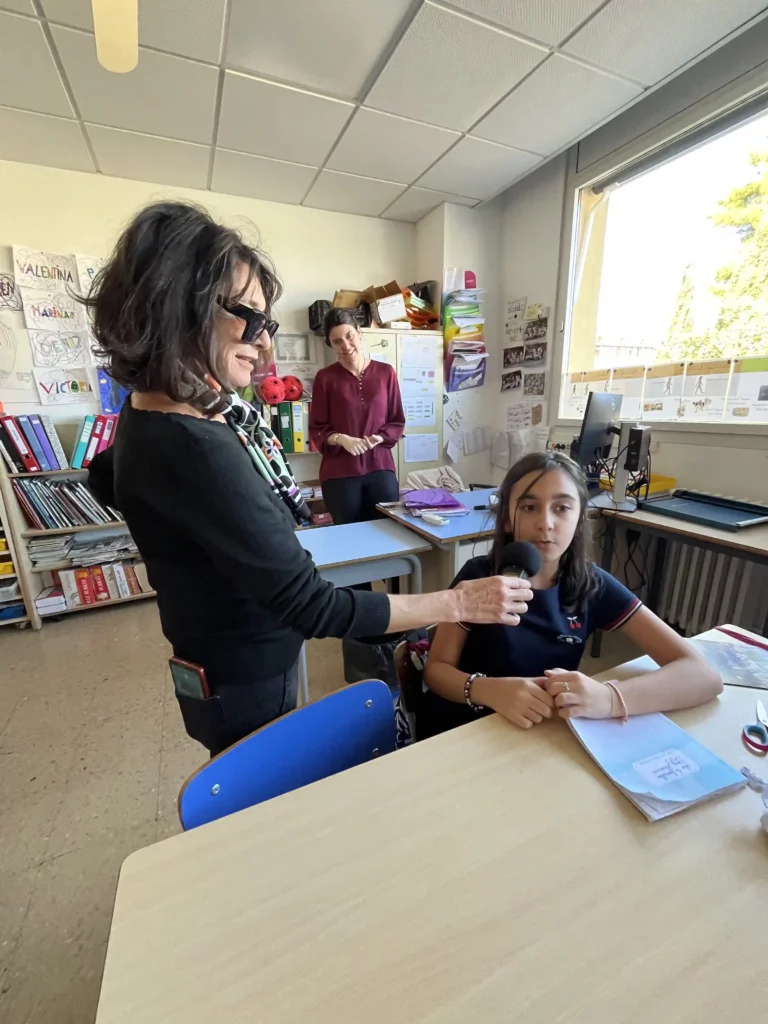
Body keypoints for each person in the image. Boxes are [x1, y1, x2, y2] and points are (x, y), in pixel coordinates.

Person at [84, 201, 530, 756]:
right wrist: (458, 604)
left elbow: (108, 477)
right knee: (259, 780)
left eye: (266, 323)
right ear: (179, 307)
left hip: (218, 647)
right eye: (249, 317)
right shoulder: (195, 446)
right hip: (243, 666)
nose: (263, 343)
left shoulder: (156, 411)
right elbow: (313, 605)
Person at [421, 450, 722, 737]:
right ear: (508, 517)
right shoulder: (478, 577)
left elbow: (703, 675)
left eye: (562, 508)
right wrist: (488, 690)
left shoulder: (591, 584)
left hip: (544, 732)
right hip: (464, 730)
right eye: (529, 507)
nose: (545, 524)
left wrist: (609, 698)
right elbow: (435, 671)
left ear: (580, 518)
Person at [309, 308, 404, 525]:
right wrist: (341, 439)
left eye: (349, 336)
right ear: (331, 345)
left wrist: (380, 437)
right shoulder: (325, 378)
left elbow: (397, 420)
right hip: (339, 473)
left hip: (380, 466)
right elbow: (317, 428)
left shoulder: (386, 373)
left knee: (387, 531)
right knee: (348, 536)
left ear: (359, 333)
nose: (345, 345)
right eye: (337, 341)